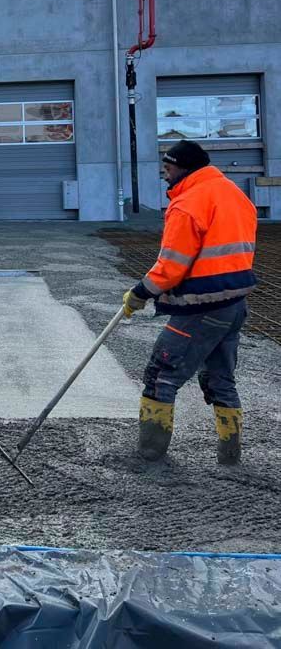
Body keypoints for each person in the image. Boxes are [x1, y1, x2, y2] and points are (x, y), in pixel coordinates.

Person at [122, 140, 257, 465]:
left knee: (160, 376)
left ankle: (150, 455)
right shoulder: (233, 193)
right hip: (234, 303)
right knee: (220, 379)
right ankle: (230, 454)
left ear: (184, 168)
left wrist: (140, 294)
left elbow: (170, 266)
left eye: (168, 170)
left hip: (201, 307)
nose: (165, 177)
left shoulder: (187, 204)